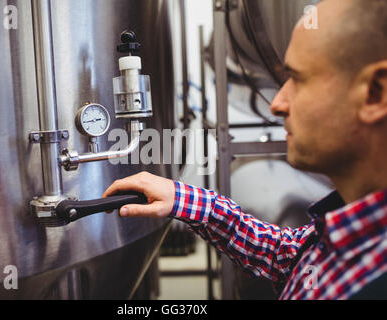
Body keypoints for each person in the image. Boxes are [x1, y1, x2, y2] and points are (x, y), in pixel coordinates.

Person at [102, 0, 387, 300]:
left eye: (299, 79)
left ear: (374, 94)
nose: (277, 103)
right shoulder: (349, 229)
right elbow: (287, 256)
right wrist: (186, 200)